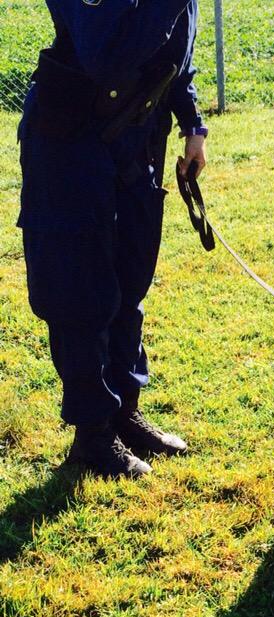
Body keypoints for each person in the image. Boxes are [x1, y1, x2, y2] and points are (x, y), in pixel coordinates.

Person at [18, 0, 208, 478]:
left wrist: (193, 124)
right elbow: (106, 56)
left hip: (135, 142)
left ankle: (125, 413)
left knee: (129, 282)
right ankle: (94, 434)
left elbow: (175, 54)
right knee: (83, 294)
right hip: (70, 147)